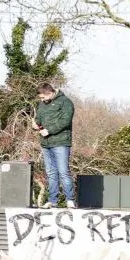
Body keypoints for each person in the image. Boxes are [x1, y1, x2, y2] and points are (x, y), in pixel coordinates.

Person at [34, 81, 76, 209]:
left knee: (63, 172)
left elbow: (65, 121)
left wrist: (49, 130)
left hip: (61, 142)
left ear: (50, 93)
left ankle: (70, 200)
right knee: (51, 173)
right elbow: (38, 118)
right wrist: (36, 124)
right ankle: (53, 200)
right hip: (46, 143)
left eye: (43, 97)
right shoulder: (42, 104)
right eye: (40, 98)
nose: (42, 100)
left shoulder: (66, 102)